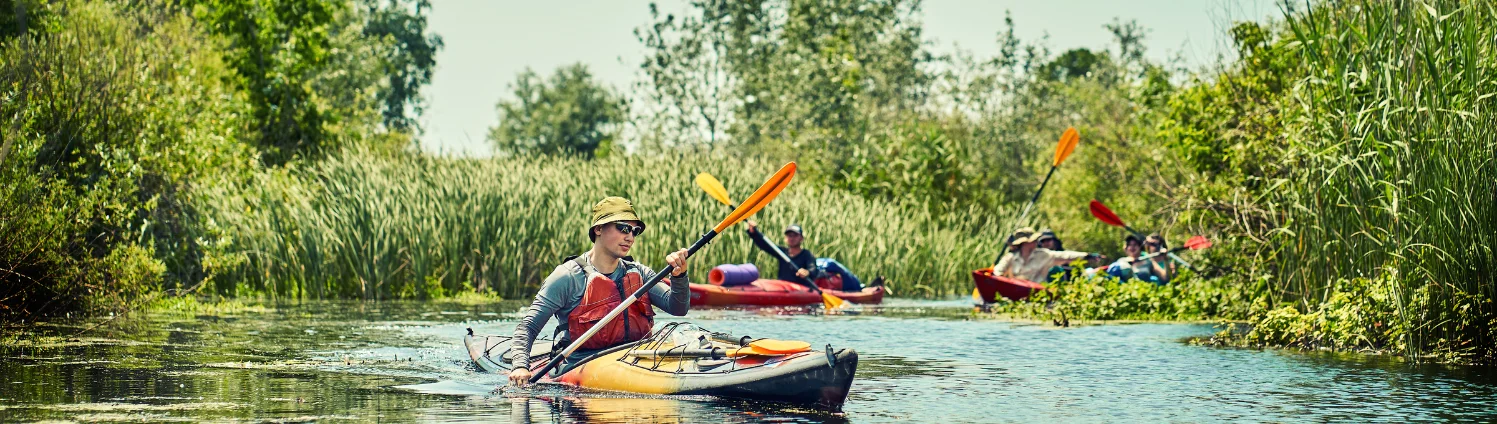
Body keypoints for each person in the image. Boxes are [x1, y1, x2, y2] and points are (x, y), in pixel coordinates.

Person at [508, 197, 692, 386]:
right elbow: (528, 327)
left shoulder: (640, 273)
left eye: (635, 231)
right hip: (583, 364)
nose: (630, 237)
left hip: (637, 359)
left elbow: (678, 308)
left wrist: (680, 276)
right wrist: (520, 366)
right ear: (598, 229)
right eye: (623, 228)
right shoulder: (568, 277)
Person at [744, 221, 867, 291]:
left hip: (801, 289)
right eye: (789, 235)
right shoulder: (782, 252)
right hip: (781, 287)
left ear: (801, 238)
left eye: (795, 235)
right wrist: (753, 233)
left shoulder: (807, 255)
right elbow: (764, 245)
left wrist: (807, 272)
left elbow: (813, 269)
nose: (791, 238)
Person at [994, 227, 1101, 283]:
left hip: (1037, 292)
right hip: (1014, 290)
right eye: (1033, 240)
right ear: (1024, 243)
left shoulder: (1044, 255)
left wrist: (1087, 256)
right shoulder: (1010, 258)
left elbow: (1065, 255)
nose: (1037, 242)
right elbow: (997, 273)